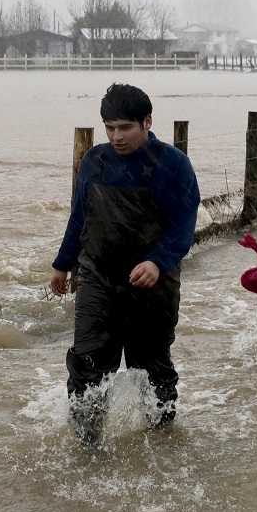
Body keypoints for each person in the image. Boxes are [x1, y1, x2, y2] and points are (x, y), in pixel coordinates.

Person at [51, 83, 201, 447]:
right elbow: (79, 217)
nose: (116, 137)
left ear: (147, 121)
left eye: (125, 128)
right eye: (109, 127)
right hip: (98, 277)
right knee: (87, 364)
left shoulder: (172, 164)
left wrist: (158, 262)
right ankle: (88, 448)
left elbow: (184, 225)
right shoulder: (94, 161)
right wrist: (62, 262)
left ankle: (161, 442)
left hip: (153, 285)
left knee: (151, 369)